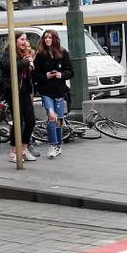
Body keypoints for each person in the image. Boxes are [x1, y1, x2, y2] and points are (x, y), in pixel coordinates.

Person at [33, 29, 73, 159]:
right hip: (46, 91)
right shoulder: (40, 56)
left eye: (50, 37)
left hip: (59, 91)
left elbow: (70, 71)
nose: (47, 40)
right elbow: (35, 75)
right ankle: (52, 144)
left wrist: (61, 74)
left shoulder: (63, 53)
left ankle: (58, 145)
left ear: (55, 39)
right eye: (45, 38)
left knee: (59, 119)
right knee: (52, 117)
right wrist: (46, 76)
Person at [0, 32, 38, 163]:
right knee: (18, 120)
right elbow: (11, 67)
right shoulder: (8, 54)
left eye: (25, 39)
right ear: (14, 40)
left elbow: (29, 75)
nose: (24, 42)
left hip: (25, 91)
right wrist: (26, 62)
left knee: (31, 120)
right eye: (22, 39)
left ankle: (24, 148)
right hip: (13, 91)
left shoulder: (25, 55)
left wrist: (31, 66)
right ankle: (14, 151)